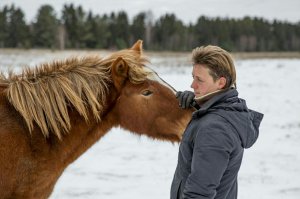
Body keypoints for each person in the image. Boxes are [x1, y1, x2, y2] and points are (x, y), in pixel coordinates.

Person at [170, 45, 263, 199]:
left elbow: (199, 194)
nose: (192, 85)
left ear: (220, 83)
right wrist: (198, 104)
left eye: (199, 80)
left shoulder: (215, 129)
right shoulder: (226, 113)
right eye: (193, 77)